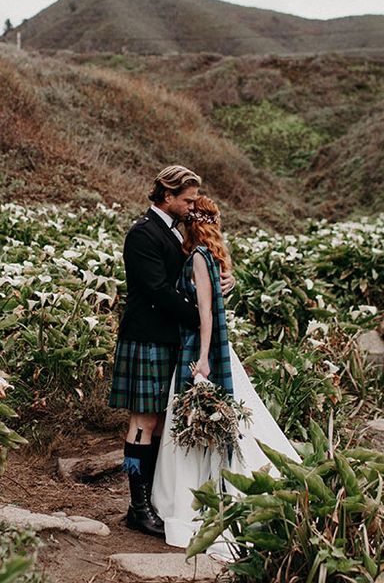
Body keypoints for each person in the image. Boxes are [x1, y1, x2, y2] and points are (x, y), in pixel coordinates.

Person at [151, 195, 299, 550]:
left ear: (192, 223)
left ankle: (201, 498)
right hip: (207, 347)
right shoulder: (207, 257)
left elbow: (206, 315)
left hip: (200, 350)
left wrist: (202, 360)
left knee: (196, 425)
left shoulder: (200, 258)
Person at [108, 165, 235, 538]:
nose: (192, 206)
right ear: (168, 196)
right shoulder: (142, 234)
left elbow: (196, 276)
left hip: (171, 342)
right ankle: (137, 506)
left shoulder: (178, 235)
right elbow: (158, 291)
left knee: (161, 422)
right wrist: (202, 315)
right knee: (142, 422)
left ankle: (152, 500)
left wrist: (224, 279)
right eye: (188, 199)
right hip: (145, 338)